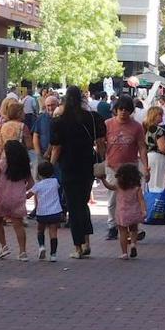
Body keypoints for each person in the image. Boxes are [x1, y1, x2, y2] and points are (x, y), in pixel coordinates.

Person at [50, 86, 107, 259]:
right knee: (83, 203)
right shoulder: (92, 117)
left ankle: (78, 247)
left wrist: (51, 166)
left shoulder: (60, 121)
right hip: (87, 164)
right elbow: (100, 142)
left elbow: (57, 148)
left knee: (73, 206)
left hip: (68, 165)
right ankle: (86, 242)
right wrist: (102, 159)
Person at [104, 97, 148, 242]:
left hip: (130, 168)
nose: (123, 112)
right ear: (116, 110)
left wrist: (145, 166)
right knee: (113, 198)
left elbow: (142, 146)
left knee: (132, 198)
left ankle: (133, 226)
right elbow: (100, 143)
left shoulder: (137, 127)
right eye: (121, 109)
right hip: (112, 166)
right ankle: (112, 226)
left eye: (127, 110)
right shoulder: (107, 125)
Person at [0, 139, 33, 261]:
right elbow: (31, 183)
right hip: (18, 199)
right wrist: (23, 191)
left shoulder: (2, 164)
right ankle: (22, 252)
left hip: (2, 197)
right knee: (18, 225)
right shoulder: (24, 166)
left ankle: (4, 246)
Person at [108, 162, 146, 259]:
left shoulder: (119, 186)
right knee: (134, 230)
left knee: (123, 232)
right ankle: (133, 244)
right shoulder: (137, 188)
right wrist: (144, 211)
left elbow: (109, 187)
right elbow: (141, 200)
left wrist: (103, 180)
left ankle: (124, 253)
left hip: (122, 213)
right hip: (134, 212)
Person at [30, 161, 64, 261]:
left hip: (42, 212)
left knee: (40, 230)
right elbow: (59, 186)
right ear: (52, 172)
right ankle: (53, 255)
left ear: (39, 174)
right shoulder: (55, 182)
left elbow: (28, 196)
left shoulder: (38, 185)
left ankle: (41, 246)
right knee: (53, 232)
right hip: (55, 212)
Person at [142, 106, 165, 193]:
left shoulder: (145, 129)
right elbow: (162, 148)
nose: (162, 116)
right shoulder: (159, 130)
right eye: (160, 115)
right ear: (154, 115)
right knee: (159, 184)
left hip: (149, 157)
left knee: (150, 184)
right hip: (159, 158)